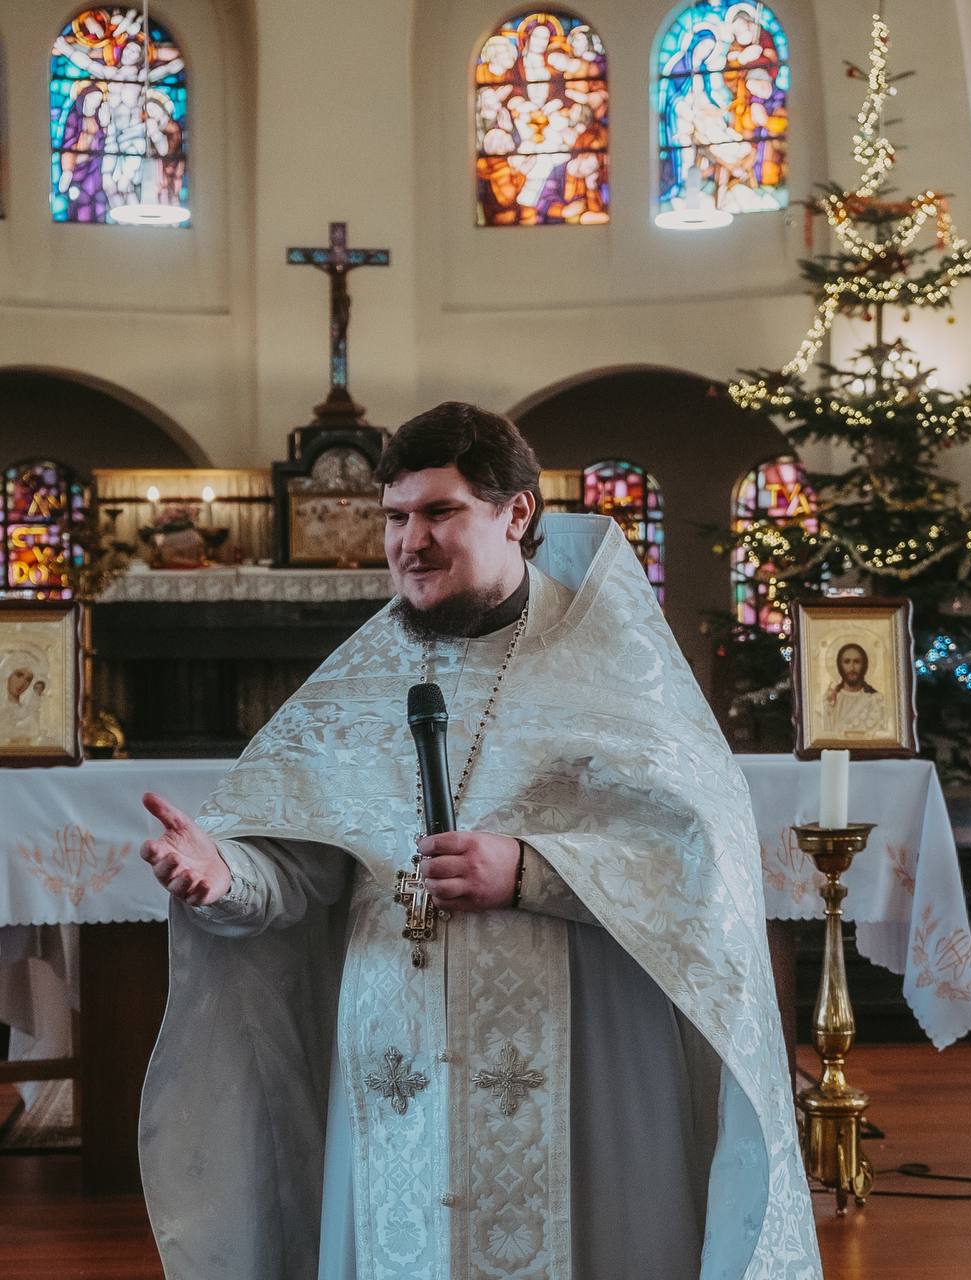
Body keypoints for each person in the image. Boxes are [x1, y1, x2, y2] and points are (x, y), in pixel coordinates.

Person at [138, 403, 821, 1280]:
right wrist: (226, 875)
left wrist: (532, 871)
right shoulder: (360, 677)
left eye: (439, 512)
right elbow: (303, 867)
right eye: (395, 517)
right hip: (394, 1049)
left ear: (516, 512)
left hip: (582, 1056)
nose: (409, 542)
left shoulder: (608, 661)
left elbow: (696, 858)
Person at [823, 641, 887, 738]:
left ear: (864, 665)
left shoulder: (876, 700)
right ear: (840, 666)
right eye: (847, 662)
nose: (852, 668)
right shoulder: (830, 699)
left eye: (857, 662)